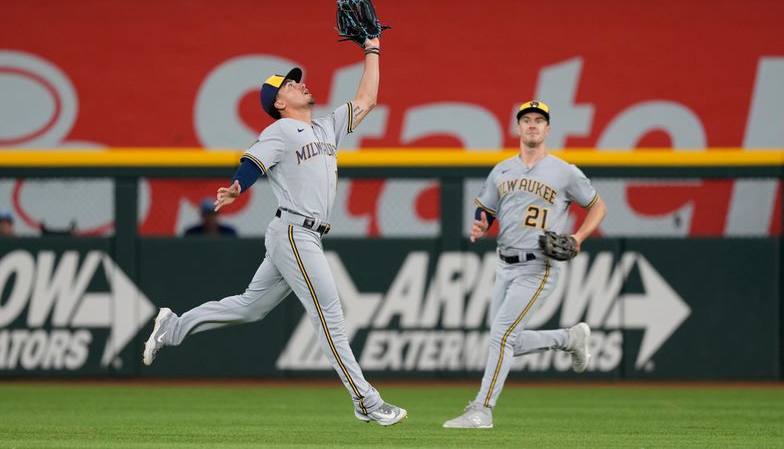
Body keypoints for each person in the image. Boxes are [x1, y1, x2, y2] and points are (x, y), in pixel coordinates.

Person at [142, 36, 407, 426]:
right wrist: (236, 187)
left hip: (302, 235)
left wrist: (372, 49)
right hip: (295, 233)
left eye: (297, 80)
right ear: (279, 103)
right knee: (329, 315)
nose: (300, 84)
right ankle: (366, 401)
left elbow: (367, 100)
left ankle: (174, 326)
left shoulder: (325, 127)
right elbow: (253, 161)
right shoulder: (281, 131)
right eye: (289, 84)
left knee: (251, 307)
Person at [443, 100, 607, 429]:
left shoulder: (564, 171)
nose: (532, 125)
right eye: (526, 120)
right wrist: (481, 224)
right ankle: (570, 339)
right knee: (508, 341)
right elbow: (486, 209)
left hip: (538, 266)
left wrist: (578, 237)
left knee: (501, 337)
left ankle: (482, 409)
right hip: (505, 264)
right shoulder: (502, 170)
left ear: (548, 129)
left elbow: (598, 206)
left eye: (539, 121)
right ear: (517, 128)